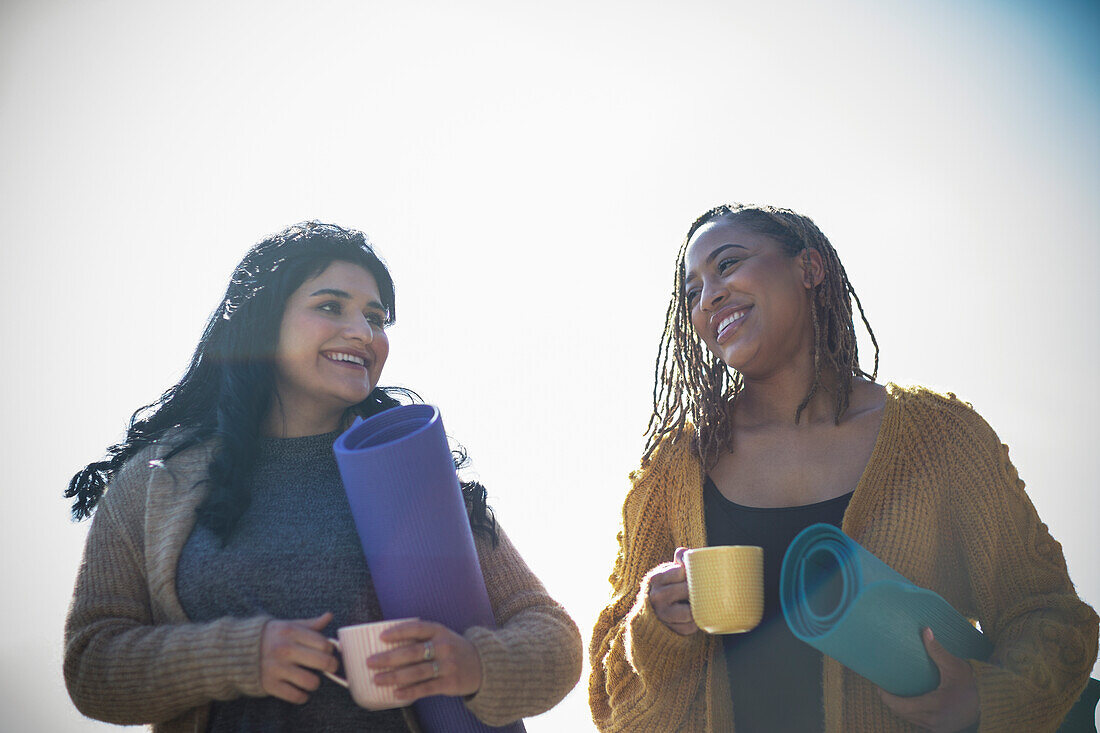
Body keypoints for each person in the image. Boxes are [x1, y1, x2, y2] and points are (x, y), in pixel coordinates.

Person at [588, 203, 1098, 732]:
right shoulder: (672, 473)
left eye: (729, 264)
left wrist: (984, 698)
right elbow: (611, 706)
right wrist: (655, 630)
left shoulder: (942, 437)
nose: (709, 296)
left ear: (809, 269)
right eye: (691, 293)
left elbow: (1046, 610)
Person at [64, 221, 582, 733]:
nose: (363, 333)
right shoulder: (155, 483)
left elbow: (554, 640)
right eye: (330, 307)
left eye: (376, 318)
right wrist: (238, 656)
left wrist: (473, 663)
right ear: (262, 322)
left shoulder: (412, 470)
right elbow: (91, 667)